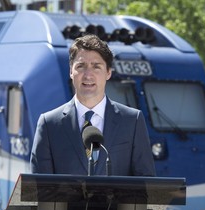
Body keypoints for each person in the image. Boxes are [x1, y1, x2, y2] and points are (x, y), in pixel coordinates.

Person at [30, 34, 155, 177]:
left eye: (96, 67)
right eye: (81, 66)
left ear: (108, 72)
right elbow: (39, 187)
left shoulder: (132, 121)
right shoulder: (49, 124)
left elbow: (145, 182)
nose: (88, 75)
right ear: (71, 71)